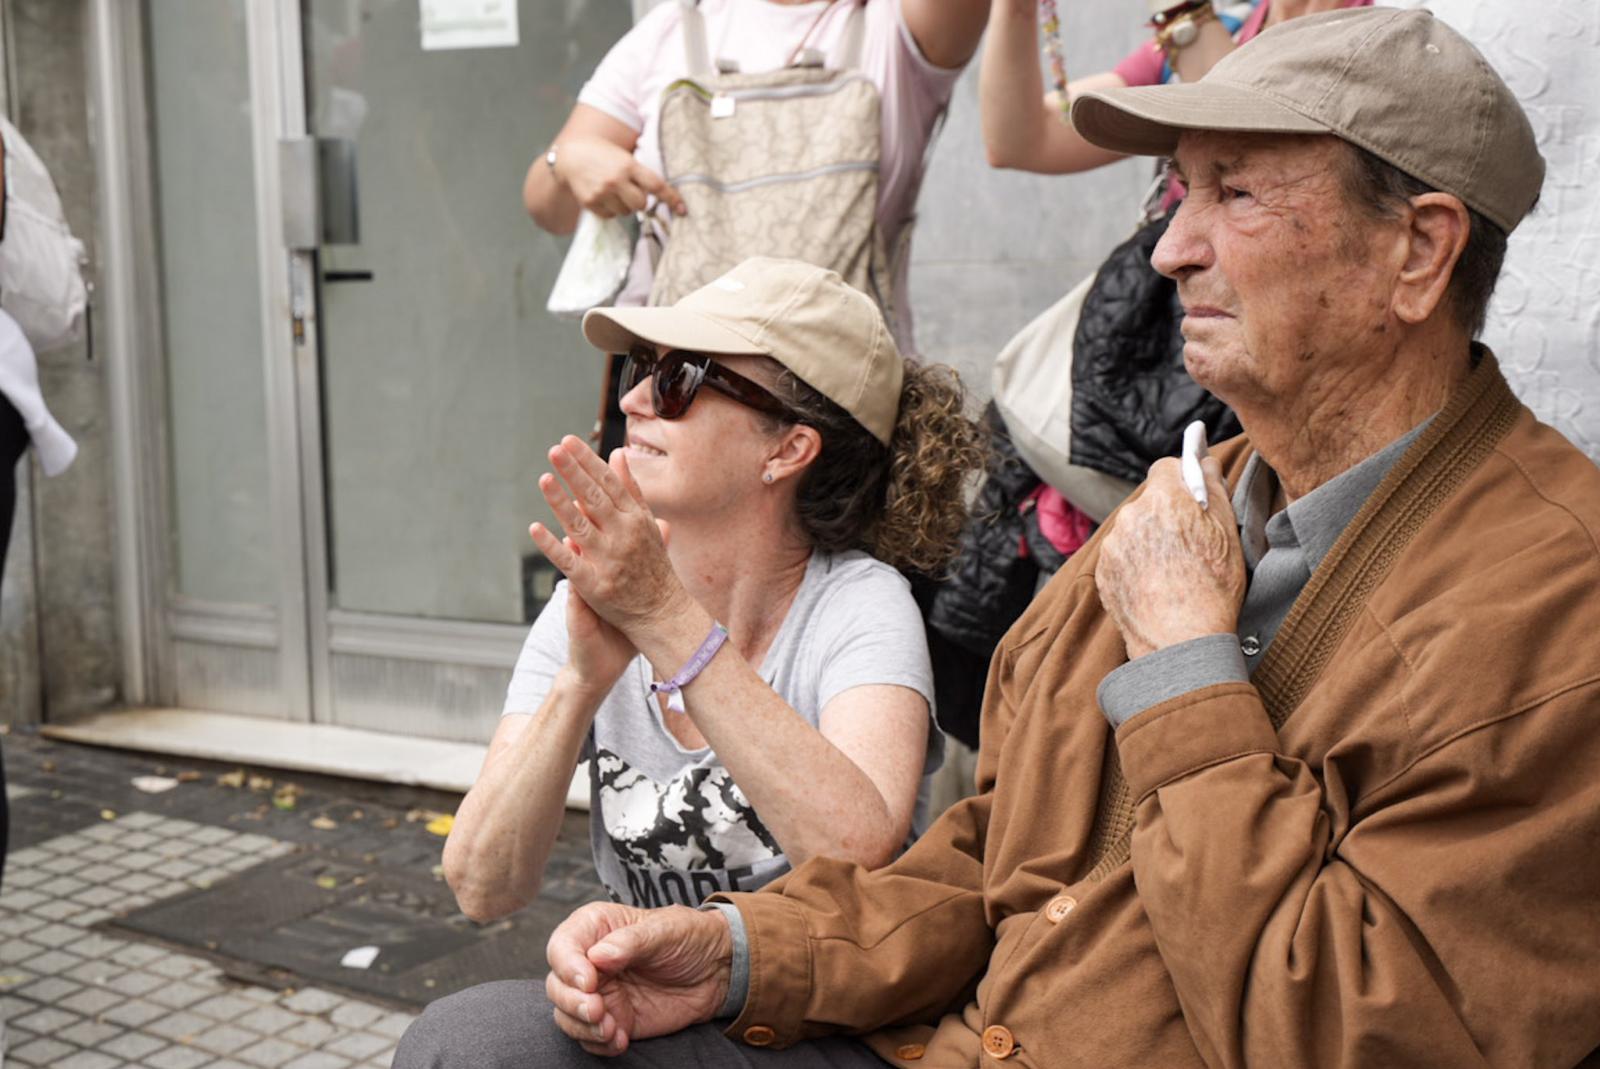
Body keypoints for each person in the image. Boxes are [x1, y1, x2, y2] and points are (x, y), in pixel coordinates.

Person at [396, 10, 1600, 1067]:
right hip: (959, 1037)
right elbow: (988, 853)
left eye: (1232, 193)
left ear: (1418, 250)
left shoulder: (1554, 604)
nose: (1168, 248)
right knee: (480, 1042)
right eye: (1179, 192)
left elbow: (1355, 1033)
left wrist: (1187, 671)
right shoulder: (1181, 506)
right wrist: (747, 952)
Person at [441, 256, 983, 923]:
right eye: (644, 367)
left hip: (809, 1012)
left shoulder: (859, 605)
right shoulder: (599, 600)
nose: (632, 400)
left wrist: (663, 617)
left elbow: (856, 861)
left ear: (786, 449)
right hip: (645, 1000)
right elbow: (481, 888)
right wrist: (580, 683)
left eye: (679, 380)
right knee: (461, 1030)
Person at [523, 0, 988, 353]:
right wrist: (567, 161)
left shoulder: (899, 27)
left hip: (840, 396)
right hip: (673, 386)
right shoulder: (673, 28)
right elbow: (548, 208)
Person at [980, 0, 1372, 178]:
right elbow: (1027, 141)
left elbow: (1245, 157)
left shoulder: (1399, 27)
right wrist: (1017, 7)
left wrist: (1182, 17)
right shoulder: (1232, 20)